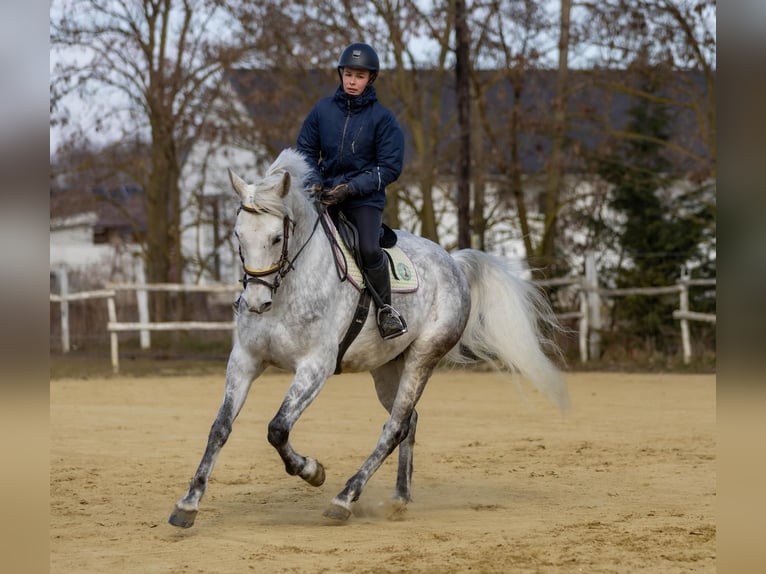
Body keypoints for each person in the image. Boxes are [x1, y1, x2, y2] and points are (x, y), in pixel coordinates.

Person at [296, 42, 407, 340]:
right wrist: (315, 181)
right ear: (341, 74)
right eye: (348, 75)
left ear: (370, 78)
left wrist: (351, 188)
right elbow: (306, 149)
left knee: (369, 249)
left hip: (364, 201)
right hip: (324, 196)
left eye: (359, 76)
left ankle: (386, 311)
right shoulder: (322, 110)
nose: (352, 81)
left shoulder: (383, 119)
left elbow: (389, 167)